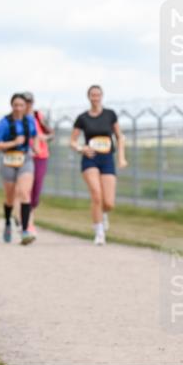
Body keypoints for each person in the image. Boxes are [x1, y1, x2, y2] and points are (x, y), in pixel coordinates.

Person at [70, 85, 127, 245]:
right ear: (88, 97)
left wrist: (121, 158)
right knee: (96, 195)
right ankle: (99, 232)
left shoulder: (110, 115)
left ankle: (103, 214)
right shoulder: (82, 118)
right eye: (92, 95)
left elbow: (119, 137)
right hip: (91, 158)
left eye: (98, 95)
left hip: (107, 158)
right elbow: (72, 141)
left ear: (102, 96)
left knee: (108, 202)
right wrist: (81, 148)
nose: (95, 97)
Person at [0, 93, 38, 245]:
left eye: (21, 105)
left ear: (25, 107)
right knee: (10, 198)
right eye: (15, 105)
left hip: (25, 159)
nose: (18, 108)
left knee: (24, 193)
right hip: (8, 160)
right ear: (11, 106)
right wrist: (13, 142)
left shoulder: (29, 121)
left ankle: (25, 230)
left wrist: (35, 148)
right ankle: (7, 223)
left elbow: (35, 135)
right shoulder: (4, 123)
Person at [27, 93, 53, 233]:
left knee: (36, 190)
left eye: (30, 101)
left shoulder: (38, 116)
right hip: (25, 156)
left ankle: (26, 213)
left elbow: (50, 134)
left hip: (41, 156)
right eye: (26, 101)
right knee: (26, 189)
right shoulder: (19, 117)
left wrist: (44, 137)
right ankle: (28, 222)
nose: (28, 104)